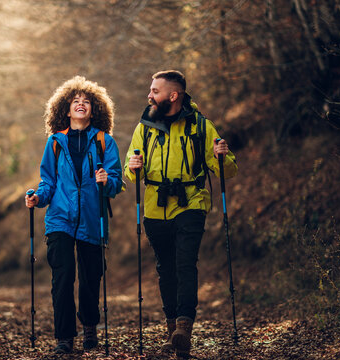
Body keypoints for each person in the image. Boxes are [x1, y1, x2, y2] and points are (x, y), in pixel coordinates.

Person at [124, 70, 238, 358]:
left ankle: (184, 329)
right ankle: (172, 329)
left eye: (155, 91)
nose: (149, 95)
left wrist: (223, 156)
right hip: (155, 208)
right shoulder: (145, 127)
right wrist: (133, 166)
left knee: (186, 263)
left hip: (191, 204)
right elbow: (130, 172)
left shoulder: (201, 126)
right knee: (166, 270)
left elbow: (228, 170)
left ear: (173, 96)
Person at [25, 76, 123, 354]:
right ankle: (64, 338)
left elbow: (117, 182)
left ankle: (90, 326)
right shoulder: (55, 143)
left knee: (92, 277)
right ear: (66, 110)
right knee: (63, 278)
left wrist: (107, 180)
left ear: (95, 109)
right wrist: (37, 198)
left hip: (93, 218)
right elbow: (48, 183)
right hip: (60, 219)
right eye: (75, 101)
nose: (81, 104)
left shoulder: (105, 142)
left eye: (87, 101)